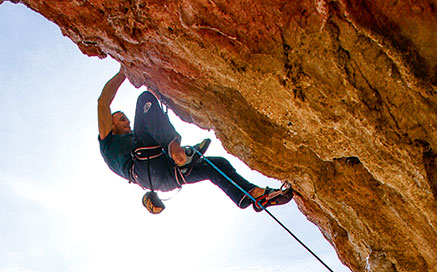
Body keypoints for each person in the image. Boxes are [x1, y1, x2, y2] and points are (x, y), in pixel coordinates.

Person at [98, 67, 293, 214]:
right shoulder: (107, 140)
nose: (128, 122)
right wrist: (124, 70)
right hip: (145, 169)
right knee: (144, 100)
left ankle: (254, 195)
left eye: (127, 119)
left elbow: (152, 123)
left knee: (215, 165)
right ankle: (177, 148)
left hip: (164, 177)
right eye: (122, 119)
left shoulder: (134, 139)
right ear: (111, 125)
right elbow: (103, 101)